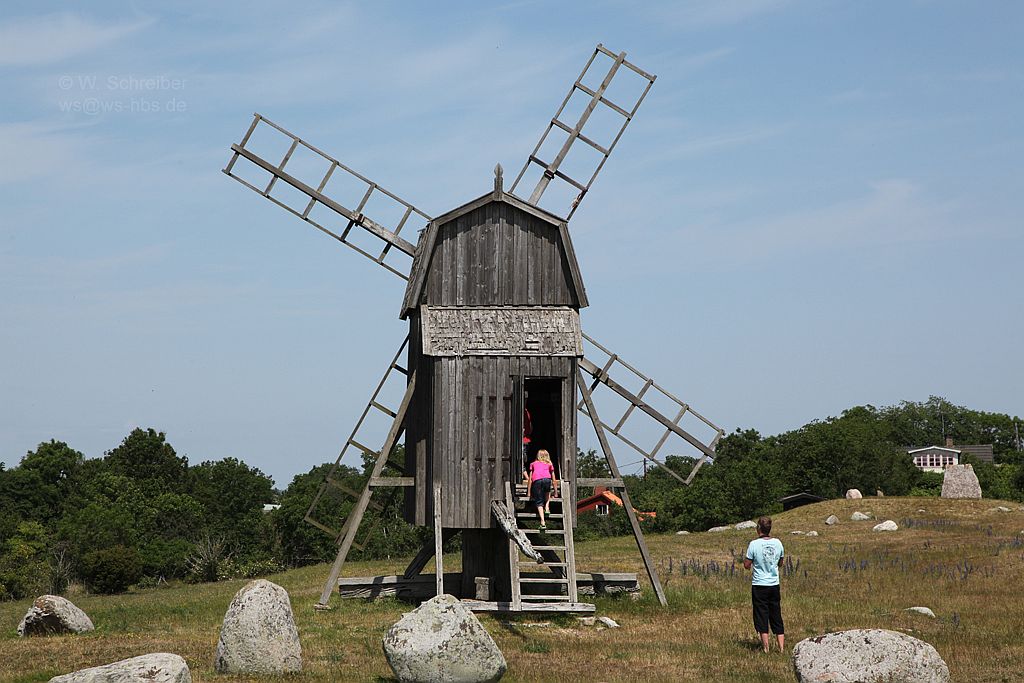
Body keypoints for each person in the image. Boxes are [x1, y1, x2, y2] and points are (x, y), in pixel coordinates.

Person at [743, 515, 785, 653]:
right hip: (774, 584)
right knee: (776, 614)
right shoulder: (778, 543)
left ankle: (766, 648)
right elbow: (780, 562)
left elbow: (747, 565)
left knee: (761, 614)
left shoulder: (754, 544)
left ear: (758, 528)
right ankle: (781, 648)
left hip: (759, 584)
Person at [527, 449, 558, 529]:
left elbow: (530, 479)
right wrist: (556, 492)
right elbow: (554, 480)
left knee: (539, 502)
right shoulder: (549, 464)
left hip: (537, 481)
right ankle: (547, 508)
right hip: (547, 480)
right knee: (548, 492)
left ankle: (543, 522)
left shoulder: (533, 464)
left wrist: (529, 492)